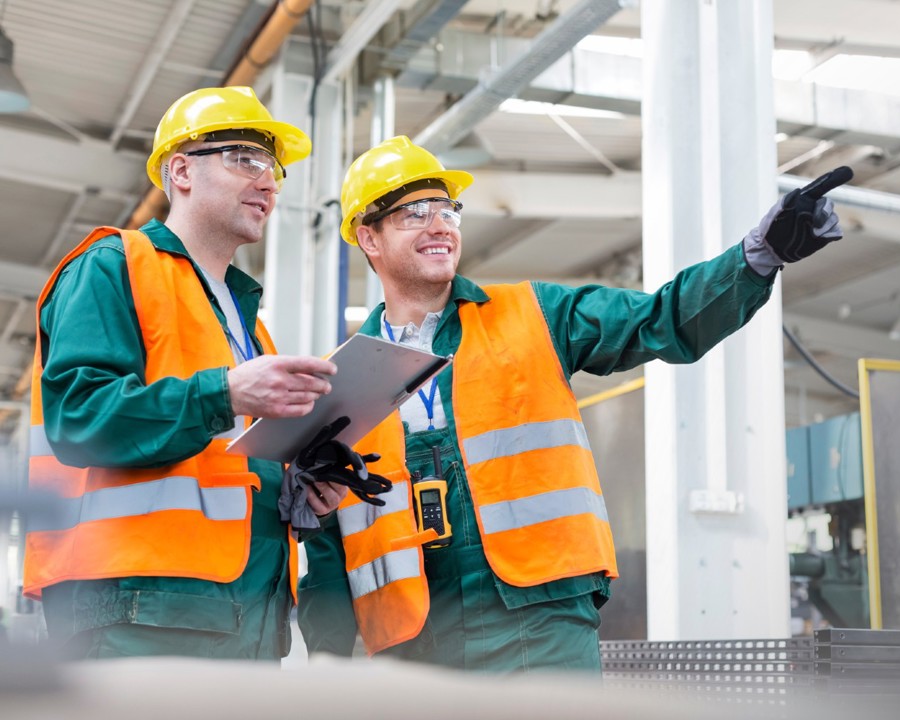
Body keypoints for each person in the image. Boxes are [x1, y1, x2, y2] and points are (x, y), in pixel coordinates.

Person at [297, 135, 850, 672]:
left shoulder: (537, 314)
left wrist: (758, 256)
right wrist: (324, 669)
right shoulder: (337, 384)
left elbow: (660, 319)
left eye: (446, 209)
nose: (439, 224)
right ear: (368, 239)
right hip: (412, 646)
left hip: (540, 624)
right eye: (413, 213)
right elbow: (325, 551)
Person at [22, 86, 355, 661]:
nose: (268, 182)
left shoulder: (249, 327)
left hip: (244, 617)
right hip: (133, 610)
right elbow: (80, 419)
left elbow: (220, 469)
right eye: (244, 158)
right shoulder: (114, 265)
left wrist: (297, 492)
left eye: (272, 167)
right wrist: (225, 393)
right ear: (180, 170)